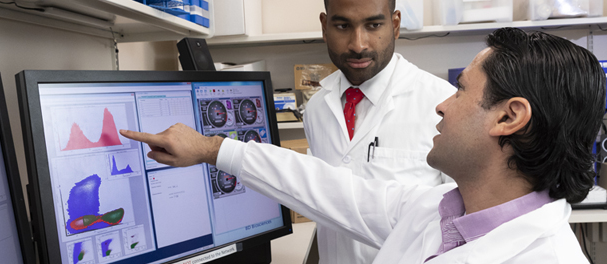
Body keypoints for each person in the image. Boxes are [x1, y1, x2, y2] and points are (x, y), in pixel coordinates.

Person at [120, 28, 605, 263]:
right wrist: (211, 149)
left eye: (460, 90)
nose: (442, 106)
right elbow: (332, 189)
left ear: (508, 117)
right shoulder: (436, 211)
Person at [305, 0, 456, 262]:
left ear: (395, 24)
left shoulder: (442, 102)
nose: (358, 44)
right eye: (342, 26)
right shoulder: (316, 108)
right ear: (324, 27)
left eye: (373, 25)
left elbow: (464, 218)